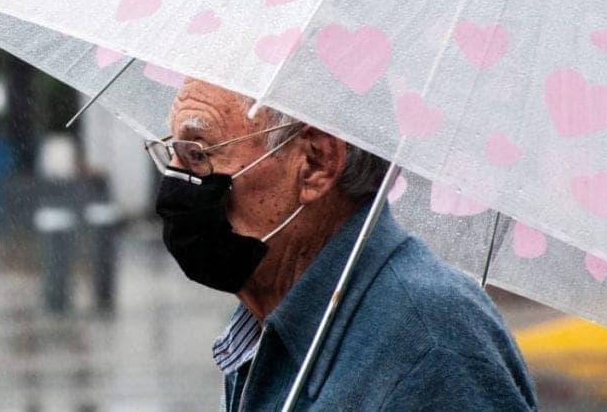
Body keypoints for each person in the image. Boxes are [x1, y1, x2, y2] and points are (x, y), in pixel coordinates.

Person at [148, 79, 536, 411]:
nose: (175, 179)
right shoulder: (268, 318)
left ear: (316, 163)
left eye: (198, 153)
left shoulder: (431, 341)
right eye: (174, 152)